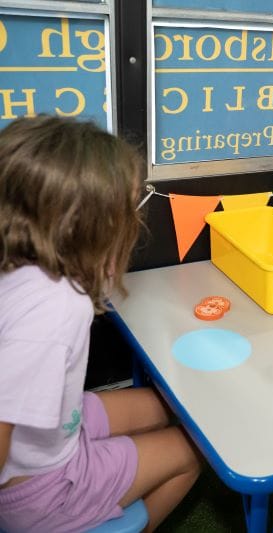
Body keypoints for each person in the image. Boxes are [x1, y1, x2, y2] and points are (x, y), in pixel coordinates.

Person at [0, 115, 202, 532]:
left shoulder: (22, 268)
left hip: (52, 438)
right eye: (127, 209)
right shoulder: (57, 308)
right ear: (87, 224)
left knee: (172, 407)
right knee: (196, 451)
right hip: (41, 492)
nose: (137, 219)